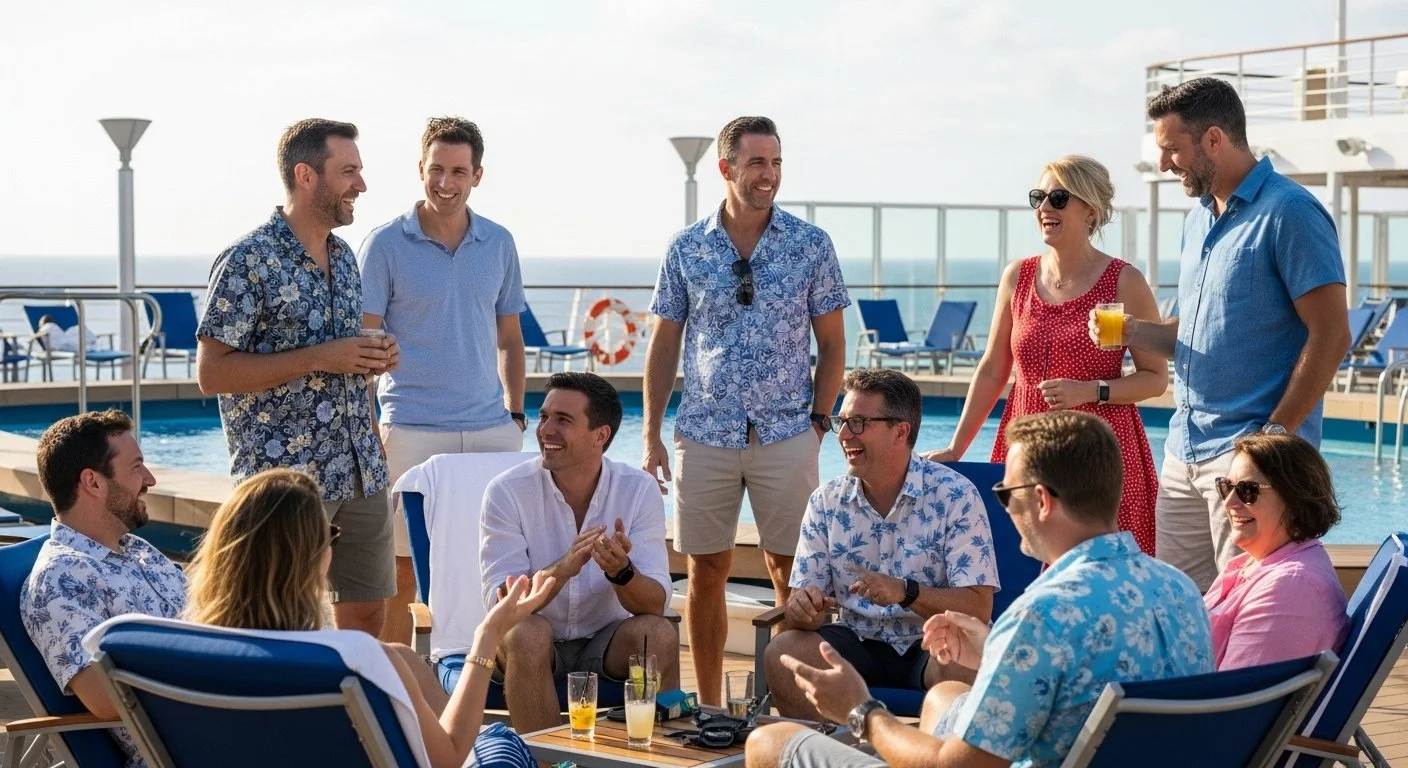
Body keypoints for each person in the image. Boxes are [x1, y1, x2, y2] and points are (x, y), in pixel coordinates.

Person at [746, 412, 1213, 768]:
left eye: (1007, 495)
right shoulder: (1179, 590)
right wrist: (995, 649)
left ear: (1042, 501)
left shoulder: (1043, 615)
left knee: (768, 743)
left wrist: (861, 710)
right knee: (946, 697)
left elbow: (962, 766)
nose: (1005, 510)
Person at [1105, 77, 1351, 591]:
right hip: (1184, 452)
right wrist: (1135, 331)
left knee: (1247, 607)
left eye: (1173, 149)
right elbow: (1201, 327)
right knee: (1180, 610)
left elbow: (1331, 335)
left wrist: (1272, 439)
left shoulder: (1291, 212)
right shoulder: (1199, 220)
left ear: (1214, 139)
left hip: (1248, 458)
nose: (1165, 164)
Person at [642, 115, 850, 704]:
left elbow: (833, 343)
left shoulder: (811, 244)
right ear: (726, 168)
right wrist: (652, 434)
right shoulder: (687, 248)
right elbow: (664, 344)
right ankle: (710, 706)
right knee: (704, 573)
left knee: (793, 573)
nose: (769, 175)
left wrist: (818, 422)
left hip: (788, 431)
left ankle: (789, 705)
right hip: (704, 432)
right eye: (757, 162)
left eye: (777, 162)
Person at [183, 468, 546, 768]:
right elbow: (448, 758)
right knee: (502, 743)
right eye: (329, 536)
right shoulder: (359, 661)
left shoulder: (186, 656)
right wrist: (488, 634)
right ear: (312, 558)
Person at [196, 118, 400, 636]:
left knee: (368, 615)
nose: (361, 184)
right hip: (286, 481)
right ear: (307, 175)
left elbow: (342, 359)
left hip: (362, 469)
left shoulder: (345, 259)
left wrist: (374, 360)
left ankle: (352, 715)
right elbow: (211, 372)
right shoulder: (248, 260)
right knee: (277, 621)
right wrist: (320, 357)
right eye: (348, 171)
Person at [925, 156, 1163, 557]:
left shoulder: (1124, 281)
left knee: (1101, 576)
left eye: (1057, 198)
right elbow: (992, 369)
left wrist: (1091, 390)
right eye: (1039, 197)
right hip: (1025, 452)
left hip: (1098, 458)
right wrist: (956, 447)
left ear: (1090, 210)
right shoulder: (1017, 276)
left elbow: (1155, 376)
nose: (1044, 209)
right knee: (1014, 568)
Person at [358, 116, 527, 646]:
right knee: (401, 566)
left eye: (459, 171)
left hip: (489, 431)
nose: (446, 183)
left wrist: (516, 413)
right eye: (437, 170)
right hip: (411, 427)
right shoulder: (384, 244)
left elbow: (510, 338)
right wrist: (371, 429)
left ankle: (477, 678)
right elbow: (363, 344)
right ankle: (392, 682)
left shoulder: (498, 242)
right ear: (420, 169)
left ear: (478, 174)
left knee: (491, 561)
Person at [766, 368, 998, 719]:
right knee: (784, 653)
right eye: (841, 422)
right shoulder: (826, 502)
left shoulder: (956, 496)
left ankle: (935, 758)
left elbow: (978, 607)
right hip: (856, 639)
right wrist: (803, 609)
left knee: (969, 665)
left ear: (900, 431)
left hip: (935, 642)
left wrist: (906, 592)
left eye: (858, 422)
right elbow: (803, 606)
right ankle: (829, 755)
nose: (843, 434)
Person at [481, 372, 679, 734]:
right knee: (526, 633)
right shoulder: (506, 492)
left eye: (563, 420)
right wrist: (563, 569)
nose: (545, 430)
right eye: (543, 417)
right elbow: (502, 606)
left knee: (658, 635)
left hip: (606, 643)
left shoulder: (638, 491)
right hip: (527, 642)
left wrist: (622, 573)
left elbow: (654, 606)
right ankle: (550, 764)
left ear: (600, 436)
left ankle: (654, 757)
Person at [20, 410, 187, 768]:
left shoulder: (141, 551)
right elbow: (108, 698)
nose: (150, 479)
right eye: (136, 467)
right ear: (93, 483)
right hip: (185, 749)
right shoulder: (62, 579)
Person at [1203, 433, 1348, 670]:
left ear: (1295, 498)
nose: (1229, 502)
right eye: (1226, 486)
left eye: (1248, 490)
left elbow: (1235, 696)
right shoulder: (1255, 564)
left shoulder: (1290, 588)